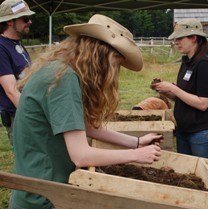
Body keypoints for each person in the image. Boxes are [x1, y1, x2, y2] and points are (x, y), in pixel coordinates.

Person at [10, 14, 163, 209]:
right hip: (44, 196)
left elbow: (82, 125)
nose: (116, 70)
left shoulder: (60, 71)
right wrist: (137, 155)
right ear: (102, 53)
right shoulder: (63, 79)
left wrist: (136, 142)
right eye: (117, 61)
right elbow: (81, 155)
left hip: (42, 188)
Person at [151, 18, 208, 177]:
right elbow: (186, 96)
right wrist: (168, 91)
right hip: (185, 129)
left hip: (202, 132)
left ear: (194, 38)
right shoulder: (187, 62)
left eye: (180, 38)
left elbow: (203, 103)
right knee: (188, 175)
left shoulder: (204, 64)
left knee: (207, 176)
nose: (176, 42)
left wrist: (174, 89)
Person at [0, 0, 35, 145]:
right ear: (9, 22)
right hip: (19, 118)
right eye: (25, 19)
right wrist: (34, 117)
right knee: (28, 163)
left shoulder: (16, 44)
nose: (30, 22)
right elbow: (11, 91)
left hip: (26, 114)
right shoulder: (1, 48)